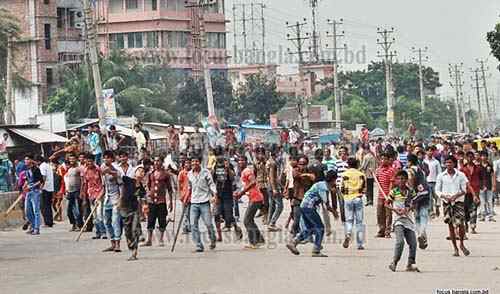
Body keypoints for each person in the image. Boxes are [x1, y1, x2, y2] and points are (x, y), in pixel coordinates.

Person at [286, 170, 338, 257]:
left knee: (309, 229)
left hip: (304, 206)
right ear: (333, 179)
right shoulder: (323, 187)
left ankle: (293, 242)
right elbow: (326, 203)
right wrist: (334, 212)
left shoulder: (322, 184)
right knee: (320, 228)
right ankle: (316, 250)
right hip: (308, 207)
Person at [435, 156, 471, 257]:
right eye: (446, 163)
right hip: (446, 202)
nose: (448, 164)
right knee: (450, 225)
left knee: (460, 224)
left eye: (450, 162)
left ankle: (462, 244)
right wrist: (444, 196)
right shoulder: (441, 176)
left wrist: (456, 196)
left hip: (458, 202)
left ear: (454, 164)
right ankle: (455, 248)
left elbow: (464, 189)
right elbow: (437, 190)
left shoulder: (461, 175)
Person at [387, 170, 420, 272]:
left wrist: (408, 208)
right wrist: (395, 209)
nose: (401, 181)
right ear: (396, 180)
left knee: (413, 243)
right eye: (398, 179)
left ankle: (410, 263)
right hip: (398, 221)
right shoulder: (394, 191)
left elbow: (415, 203)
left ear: (406, 180)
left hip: (408, 220)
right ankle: (394, 262)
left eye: (403, 179)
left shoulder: (411, 191)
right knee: (400, 242)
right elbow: (386, 203)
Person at [234, 155, 265, 249]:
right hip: (253, 198)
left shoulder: (247, 171)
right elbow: (247, 186)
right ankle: (259, 239)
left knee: (247, 220)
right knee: (250, 220)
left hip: (256, 198)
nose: (240, 162)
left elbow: (253, 182)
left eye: (242, 160)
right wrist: (240, 193)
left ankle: (254, 242)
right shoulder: (242, 172)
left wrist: (241, 193)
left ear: (246, 161)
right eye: (239, 161)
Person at [188, 156, 217, 252]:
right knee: (193, 224)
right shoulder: (189, 174)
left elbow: (211, 184)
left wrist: (214, 195)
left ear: (199, 162)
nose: (194, 163)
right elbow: (189, 187)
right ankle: (199, 245)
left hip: (204, 202)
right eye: (192, 161)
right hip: (193, 203)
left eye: (196, 161)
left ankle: (213, 239)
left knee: (208, 224)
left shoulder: (205, 172)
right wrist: (185, 197)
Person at [143, 156, 173, 247]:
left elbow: (169, 189)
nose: (156, 163)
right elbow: (147, 186)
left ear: (162, 162)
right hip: (152, 201)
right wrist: (147, 195)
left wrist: (170, 201)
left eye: (158, 161)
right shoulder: (150, 174)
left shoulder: (166, 174)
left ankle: (161, 239)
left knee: (162, 220)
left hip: (161, 200)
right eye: (155, 161)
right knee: (150, 220)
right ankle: (149, 240)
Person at [213, 156, 243, 240]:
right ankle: (219, 236)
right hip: (218, 195)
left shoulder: (229, 167)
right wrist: (213, 194)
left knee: (228, 216)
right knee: (216, 214)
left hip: (228, 195)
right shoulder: (216, 167)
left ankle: (237, 228)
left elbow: (232, 177)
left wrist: (227, 168)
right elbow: (213, 180)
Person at [120, 162, 143, 261]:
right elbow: (118, 174)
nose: (141, 172)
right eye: (139, 170)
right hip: (125, 208)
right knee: (127, 231)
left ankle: (134, 252)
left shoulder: (141, 187)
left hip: (135, 210)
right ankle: (131, 245)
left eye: (143, 171)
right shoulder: (128, 180)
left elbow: (143, 199)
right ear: (135, 172)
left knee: (135, 230)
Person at [406, 154, 430, 249]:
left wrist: (410, 197)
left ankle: (420, 233)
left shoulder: (410, 170)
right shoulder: (420, 169)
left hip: (416, 195)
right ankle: (422, 235)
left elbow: (411, 183)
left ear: (410, 161)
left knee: (417, 217)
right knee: (423, 215)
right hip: (425, 193)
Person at [341, 158, 366, 250]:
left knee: (349, 220)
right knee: (359, 222)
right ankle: (359, 244)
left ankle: (348, 234)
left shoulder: (344, 174)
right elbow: (364, 188)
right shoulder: (361, 175)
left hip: (348, 198)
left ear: (348, 165)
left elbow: (342, 188)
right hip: (358, 198)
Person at [101, 151, 123, 252]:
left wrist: (120, 199)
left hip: (116, 198)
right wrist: (99, 196)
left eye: (108, 158)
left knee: (115, 221)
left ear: (112, 159)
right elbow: (104, 185)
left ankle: (118, 243)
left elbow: (119, 180)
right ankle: (112, 243)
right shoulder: (102, 167)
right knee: (106, 221)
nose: (106, 160)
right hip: (107, 198)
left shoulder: (117, 168)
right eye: (104, 158)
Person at [81, 153, 106, 239]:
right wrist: (84, 198)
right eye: (88, 161)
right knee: (94, 216)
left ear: (93, 161)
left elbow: (103, 184)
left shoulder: (98, 170)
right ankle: (98, 232)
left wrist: (100, 196)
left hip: (99, 194)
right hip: (90, 195)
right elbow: (85, 184)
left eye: (91, 161)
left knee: (99, 215)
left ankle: (103, 232)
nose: (89, 163)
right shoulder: (85, 171)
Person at [375, 152, 395, 238]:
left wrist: (389, 195)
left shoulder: (391, 170)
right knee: (380, 213)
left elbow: (392, 183)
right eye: (382, 159)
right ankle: (381, 231)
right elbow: (376, 179)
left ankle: (387, 231)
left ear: (388, 160)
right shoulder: (378, 170)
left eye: (385, 159)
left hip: (388, 195)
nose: (383, 161)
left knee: (388, 214)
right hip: (380, 195)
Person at [23, 154, 44, 235]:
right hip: (28, 192)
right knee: (27, 211)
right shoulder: (27, 170)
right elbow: (27, 180)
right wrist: (25, 185)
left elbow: (40, 181)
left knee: (36, 210)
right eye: (25, 159)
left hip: (35, 191)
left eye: (27, 159)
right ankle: (32, 225)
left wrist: (32, 186)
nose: (26, 161)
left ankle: (36, 228)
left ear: (31, 160)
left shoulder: (36, 169)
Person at [64, 153, 83, 231]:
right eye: (70, 159)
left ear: (76, 159)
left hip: (77, 191)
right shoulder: (69, 169)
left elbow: (82, 180)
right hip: (70, 191)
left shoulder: (79, 168)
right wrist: (67, 190)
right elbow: (68, 181)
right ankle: (73, 224)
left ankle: (80, 225)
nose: (71, 160)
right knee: (69, 210)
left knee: (78, 209)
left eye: (73, 159)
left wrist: (82, 191)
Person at [267, 149, 283, 232]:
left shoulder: (268, 162)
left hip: (269, 186)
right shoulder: (273, 163)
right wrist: (274, 188)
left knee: (271, 205)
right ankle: (272, 223)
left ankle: (269, 222)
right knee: (280, 206)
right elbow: (272, 177)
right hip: (273, 187)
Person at [424, 146, 442, 217]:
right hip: (427, 182)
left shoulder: (436, 162)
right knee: (430, 198)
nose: (430, 152)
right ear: (426, 152)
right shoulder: (424, 161)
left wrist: (439, 182)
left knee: (437, 197)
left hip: (435, 181)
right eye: (428, 151)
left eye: (431, 151)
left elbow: (439, 173)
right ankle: (431, 211)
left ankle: (437, 207)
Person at [38, 156, 54, 228]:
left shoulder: (42, 166)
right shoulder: (48, 165)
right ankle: (50, 221)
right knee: (48, 206)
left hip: (45, 188)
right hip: (50, 188)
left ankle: (47, 222)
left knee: (44, 206)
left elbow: (43, 177)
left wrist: (40, 187)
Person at [478, 151, 495, 222]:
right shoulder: (478, 166)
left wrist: (494, 185)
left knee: (489, 201)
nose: (483, 157)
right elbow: (477, 177)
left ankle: (491, 216)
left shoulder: (490, 165)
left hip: (489, 185)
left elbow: (492, 175)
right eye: (482, 156)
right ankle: (482, 215)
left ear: (487, 157)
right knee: (482, 201)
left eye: (485, 156)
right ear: (480, 157)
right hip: (481, 186)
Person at [254, 146, 269, 224]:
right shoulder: (256, 163)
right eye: (258, 153)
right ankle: (262, 211)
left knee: (266, 200)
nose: (259, 155)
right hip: (258, 183)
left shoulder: (267, 162)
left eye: (261, 153)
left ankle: (265, 216)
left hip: (265, 183)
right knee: (258, 200)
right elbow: (255, 173)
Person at [179, 159, 192, 234]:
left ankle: (189, 226)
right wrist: (181, 195)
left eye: (188, 163)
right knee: (185, 213)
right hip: (184, 195)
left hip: (191, 195)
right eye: (186, 163)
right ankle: (185, 227)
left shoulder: (191, 173)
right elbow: (179, 185)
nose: (187, 165)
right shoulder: (182, 173)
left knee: (190, 212)